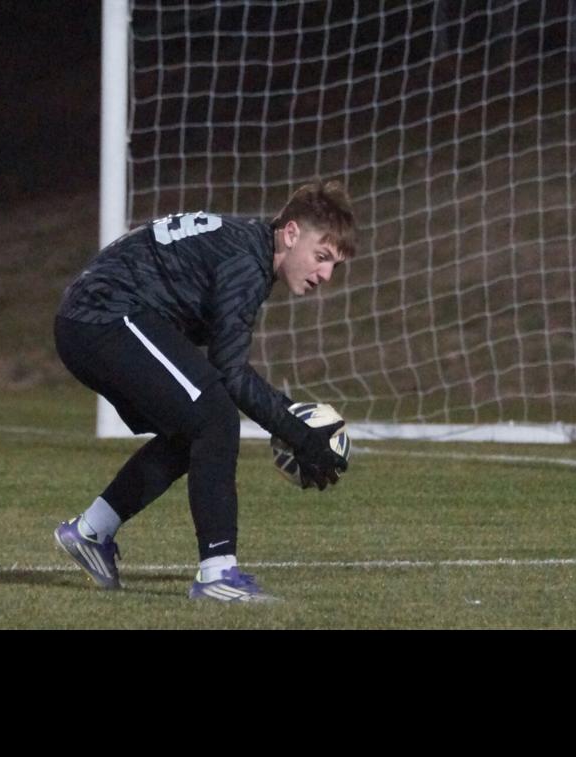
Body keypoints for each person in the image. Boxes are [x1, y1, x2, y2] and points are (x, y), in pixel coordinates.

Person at [52, 181, 356, 603]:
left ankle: (91, 532)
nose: (325, 274)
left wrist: (287, 418)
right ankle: (218, 574)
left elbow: (223, 370)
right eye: (322, 257)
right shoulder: (246, 261)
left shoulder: (244, 246)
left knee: (195, 426)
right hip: (104, 317)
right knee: (214, 417)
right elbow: (229, 373)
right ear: (290, 233)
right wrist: (300, 434)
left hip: (92, 318)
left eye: (334, 266)